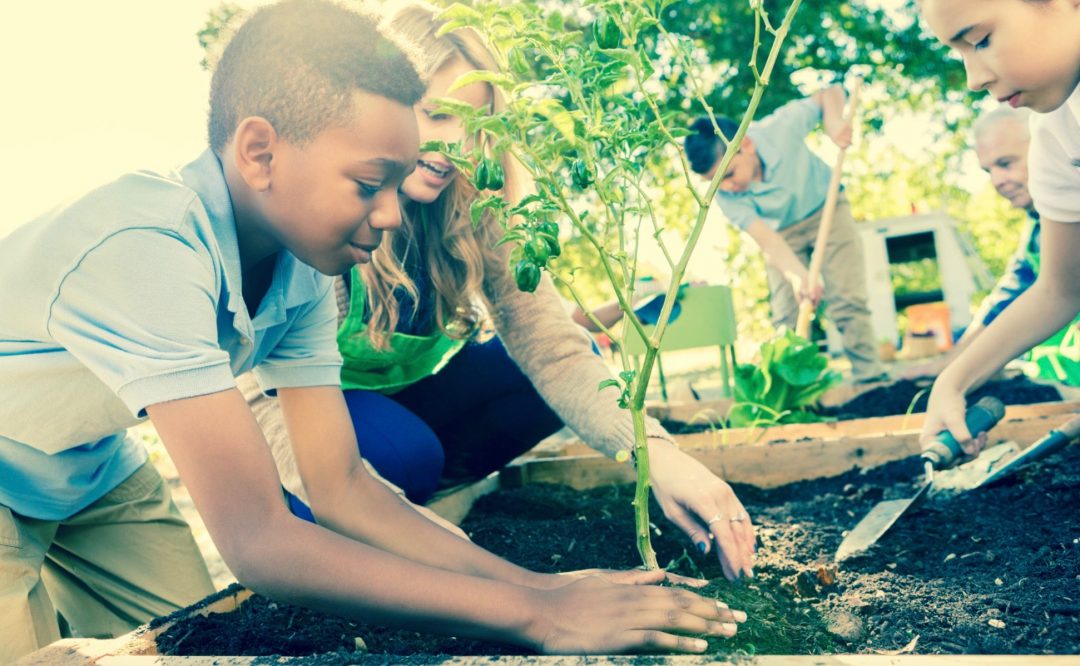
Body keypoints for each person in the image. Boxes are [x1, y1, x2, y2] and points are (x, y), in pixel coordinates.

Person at [0, 2, 744, 661]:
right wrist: (538, 614)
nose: (390, 215)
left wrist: (540, 585)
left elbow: (345, 486)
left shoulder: (298, 276)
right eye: (369, 184)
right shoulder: (147, 249)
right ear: (260, 152)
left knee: (191, 636)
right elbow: (259, 541)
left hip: (93, 469)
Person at [245, 1, 756, 584]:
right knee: (404, 452)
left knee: (555, 369)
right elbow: (260, 399)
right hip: (310, 420)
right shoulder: (327, 213)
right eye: (434, 115)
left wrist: (657, 455)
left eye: (474, 123)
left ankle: (428, 497)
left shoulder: (478, 208)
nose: (455, 144)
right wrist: (421, 540)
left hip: (406, 405)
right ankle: (373, 506)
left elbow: (555, 349)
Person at [916, 0, 1080, 454]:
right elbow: (1060, 289)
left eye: (981, 40)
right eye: (960, 54)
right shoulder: (1059, 133)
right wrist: (954, 379)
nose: (974, 79)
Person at [684, 87, 887, 383]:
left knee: (846, 298)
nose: (725, 187)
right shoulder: (725, 196)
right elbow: (768, 240)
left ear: (747, 145)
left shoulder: (778, 129)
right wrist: (796, 274)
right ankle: (795, 391)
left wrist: (833, 122)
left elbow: (828, 94)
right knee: (786, 313)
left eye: (728, 174)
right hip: (780, 233)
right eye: (714, 182)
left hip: (826, 209)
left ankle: (871, 378)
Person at [900, 106, 1079, 383]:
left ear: (1044, 148)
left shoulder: (1071, 213)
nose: (996, 181)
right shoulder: (1036, 227)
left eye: (1006, 164)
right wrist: (952, 365)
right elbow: (1005, 300)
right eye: (988, 170)